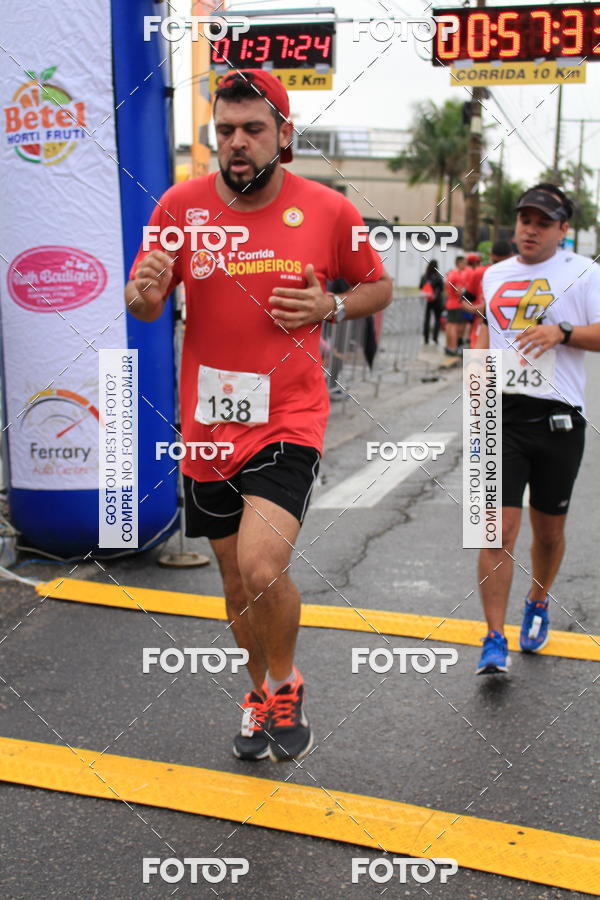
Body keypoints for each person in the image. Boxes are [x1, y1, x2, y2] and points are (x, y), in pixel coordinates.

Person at [125, 70, 392, 757]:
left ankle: (285, 680)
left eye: (252, 130)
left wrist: (329, 305)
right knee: (233, 577)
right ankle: (257, 690)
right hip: (208, 424)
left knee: (263, 564)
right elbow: (144, 304)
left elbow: (378, 286)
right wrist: (144, 293)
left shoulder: (326, 210)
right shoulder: (182, 208)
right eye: (225, 131)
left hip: (288, 419)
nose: (236, 144)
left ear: (283, 135)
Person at [473, 184, 600, 674]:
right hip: (499, 416)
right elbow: (486, 331)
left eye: (543, 222)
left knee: (548, 533)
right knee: (495, 531)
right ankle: (492, 638)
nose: (529, 228)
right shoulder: (493, 274)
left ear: (563, 230)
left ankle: (539, 601)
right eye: (524, 219)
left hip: (559, 420)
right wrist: (476, 384)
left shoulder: (584, 273)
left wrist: (562, 333)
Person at [466, 240, 513, 348]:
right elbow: (464, 298)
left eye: (503, 263)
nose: (499, 267)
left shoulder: (519, 274)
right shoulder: (481, 273)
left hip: (509, 335)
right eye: (496, 262)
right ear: (491, 256)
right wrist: (476, 309)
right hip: (483, 327)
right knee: (477, 362)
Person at [444, 255, 467, 355]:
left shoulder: (450, 274)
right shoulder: (457, 275)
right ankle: (454, 348)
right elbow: (459, 291)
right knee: (455, 327)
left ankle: (449, 346)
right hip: (457, 304)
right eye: (464, 263)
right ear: (459, 263)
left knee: (449, 326)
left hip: (450, 302)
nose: (465, 265)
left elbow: (446, 290)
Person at [419, 258, 444, 345]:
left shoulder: (424, 276)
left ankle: (426, 338)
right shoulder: (438, 276)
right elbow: (441, 288)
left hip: (427, 300)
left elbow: (421, 287)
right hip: (437, 301)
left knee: (427, 319)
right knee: (437, 319)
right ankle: (435, 337)